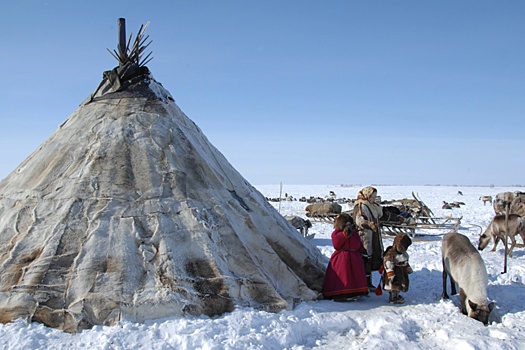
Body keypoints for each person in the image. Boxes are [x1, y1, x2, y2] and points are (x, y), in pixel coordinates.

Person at [322, 213, 369, 300]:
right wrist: (345, 234)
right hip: (342, 258)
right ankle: (342, 293)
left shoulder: (354, 233)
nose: (348, 225)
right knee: (343, 276)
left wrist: (363, 251)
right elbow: (336, 244)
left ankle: (355, 292)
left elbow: (358, 242)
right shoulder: (337, 233)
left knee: (356, 276)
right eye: (346, 223)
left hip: (355, 257)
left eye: (349, 223)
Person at [353, 186, 384, 292]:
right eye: (372, 196)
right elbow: (359, 220)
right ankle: (363, 283)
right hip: (364, 236)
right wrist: (369, 224)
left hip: (372, 235)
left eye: (375, 196)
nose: (374, 198)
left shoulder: (371, 206)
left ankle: (368, 282)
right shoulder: (361, 205)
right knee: (366, 258)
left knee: (370, 258)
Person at [381, 233, 413, 304]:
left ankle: (397, 295)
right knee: (394, 285)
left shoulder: (403, 254)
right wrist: (390, 273)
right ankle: (393, 297)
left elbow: (405, 262)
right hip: (395, 272)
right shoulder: (391, 253)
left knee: (400, 284)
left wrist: (408, 268)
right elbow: (388, 263)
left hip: (401, 272)